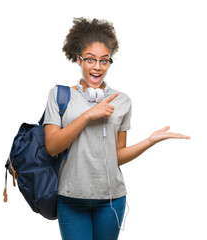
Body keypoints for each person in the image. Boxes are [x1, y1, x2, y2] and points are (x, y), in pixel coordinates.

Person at [43, 17, 190, 240]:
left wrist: (150, 141)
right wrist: (87, 115)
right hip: (71, 198)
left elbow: (116, 156)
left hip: (111, 199)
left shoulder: (122, 101)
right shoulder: (59, 96)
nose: (97, 67)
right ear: (78, 59)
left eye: (104, 61)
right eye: (90, 60)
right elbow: (52, 147)